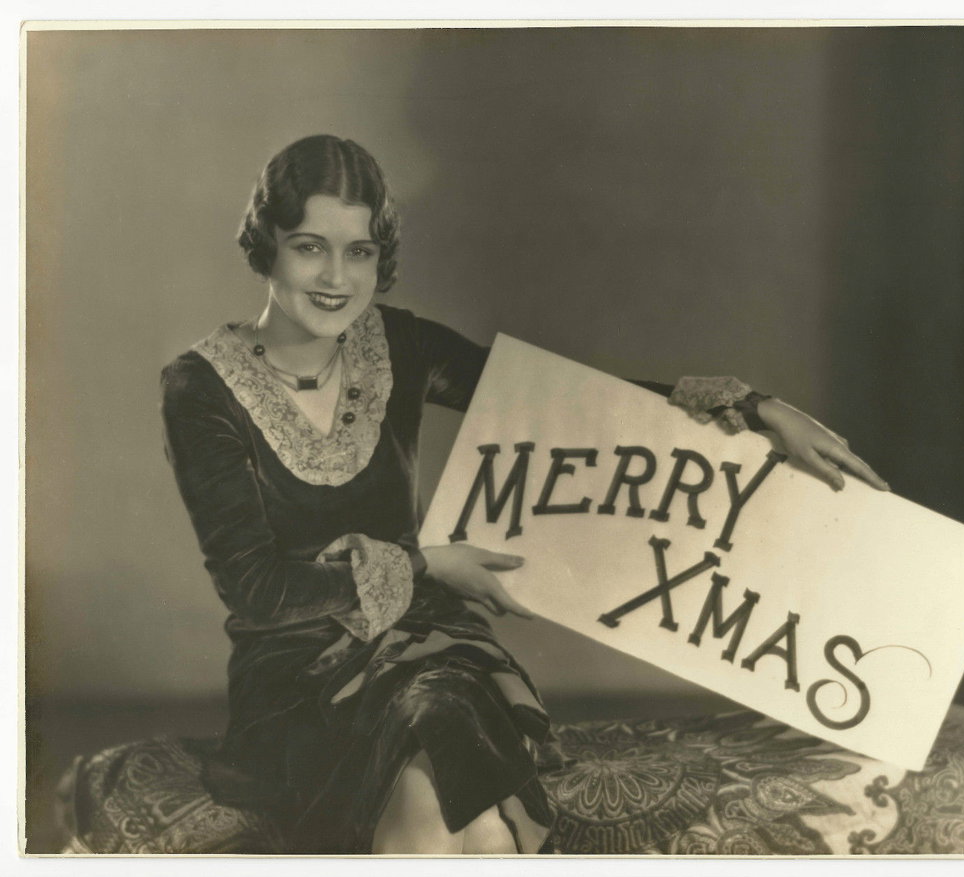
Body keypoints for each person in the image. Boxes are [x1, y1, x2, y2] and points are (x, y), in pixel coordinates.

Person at [159, 134, 888, 855]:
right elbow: (256, 589)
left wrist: (755, 407)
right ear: (267, 244)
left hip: (427, 647)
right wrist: (427, 564)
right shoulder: (202, 386)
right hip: (296, 679)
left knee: (459, 785)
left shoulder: (398, 345)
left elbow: (571, 405)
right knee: (457, 812)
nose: (336, 277)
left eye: (360, 252)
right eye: (309, 247)